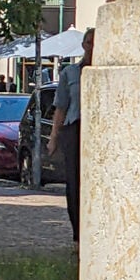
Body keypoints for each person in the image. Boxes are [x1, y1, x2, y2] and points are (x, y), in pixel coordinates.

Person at [48, 28, 94, 253]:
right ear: (83, 45)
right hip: (75, 129)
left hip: (101, 132)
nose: (91, 47)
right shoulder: (70, 73)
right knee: (74, 184)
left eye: (96, 42)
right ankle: (78, 236)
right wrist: (53, 138)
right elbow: (61, 107)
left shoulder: (112, 73)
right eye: (88, 42)